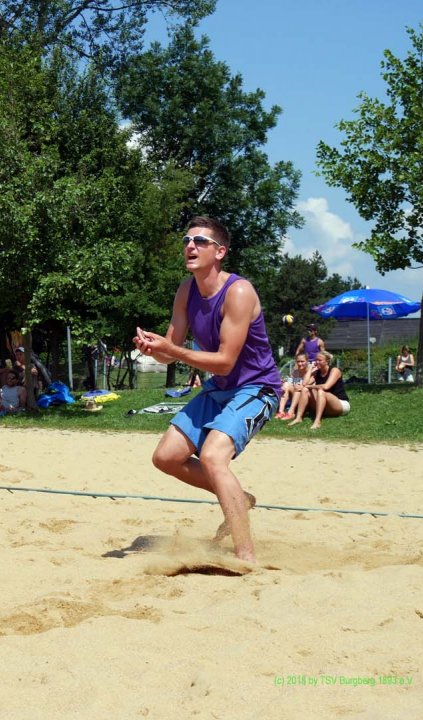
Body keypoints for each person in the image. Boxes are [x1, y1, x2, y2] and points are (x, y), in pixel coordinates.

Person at [134, 216, 282, 563]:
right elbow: (173, 352)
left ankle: (245, 556)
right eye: (187, 239)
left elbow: (226, 361)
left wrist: (173, 351)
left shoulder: (239, 291)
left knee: (215, 458)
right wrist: (155, 350)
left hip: (257, 387)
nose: (190, 246)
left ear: (220, 252)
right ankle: (239, 499)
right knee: (165, 458)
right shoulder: (186, 290)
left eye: (200, 241)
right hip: (221, 388)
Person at [287, 351, 349, 430]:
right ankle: (298, 418)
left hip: (341, 405)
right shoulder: (317, 372)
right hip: (326, 405)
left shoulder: (335, 370)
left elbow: (326, 386)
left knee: (320, 391)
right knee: (305, 390)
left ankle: (317, 421)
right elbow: (305, 384)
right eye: (316, 360)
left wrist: (310, 386)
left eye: (320, 360)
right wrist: (310, 370)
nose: (316, 362)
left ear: (327, 361)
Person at [276, 353, 311, 419]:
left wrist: (310, 369)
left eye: (302, 361)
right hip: (295, 396)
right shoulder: (295, 372)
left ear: (307, 361)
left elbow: (305, 384)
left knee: (298, 386)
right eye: (298, 361)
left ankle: (291, 412)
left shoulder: (311, 371)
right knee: (286, 385)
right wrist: (284, 382)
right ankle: (281, 411)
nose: (300, 363)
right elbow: (289, 381)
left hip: (306, 399)